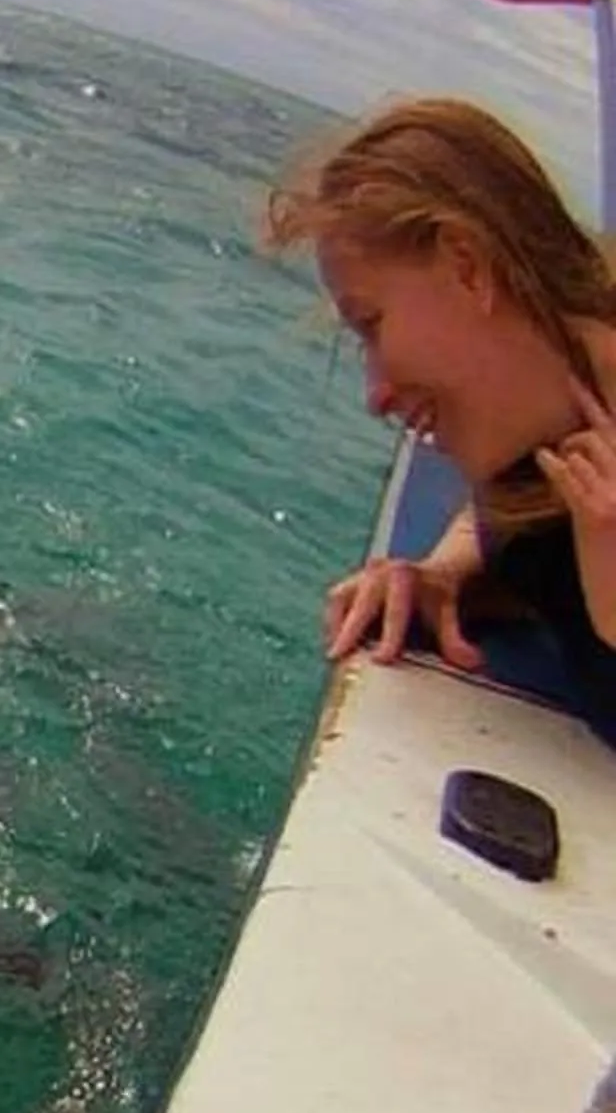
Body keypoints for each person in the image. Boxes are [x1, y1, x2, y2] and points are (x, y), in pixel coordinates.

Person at [264, 97, 616, 738]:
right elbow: (511, 514)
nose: (375, 395)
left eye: (371, 324)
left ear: (466, 264)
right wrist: (444, 572)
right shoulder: (547, 432)